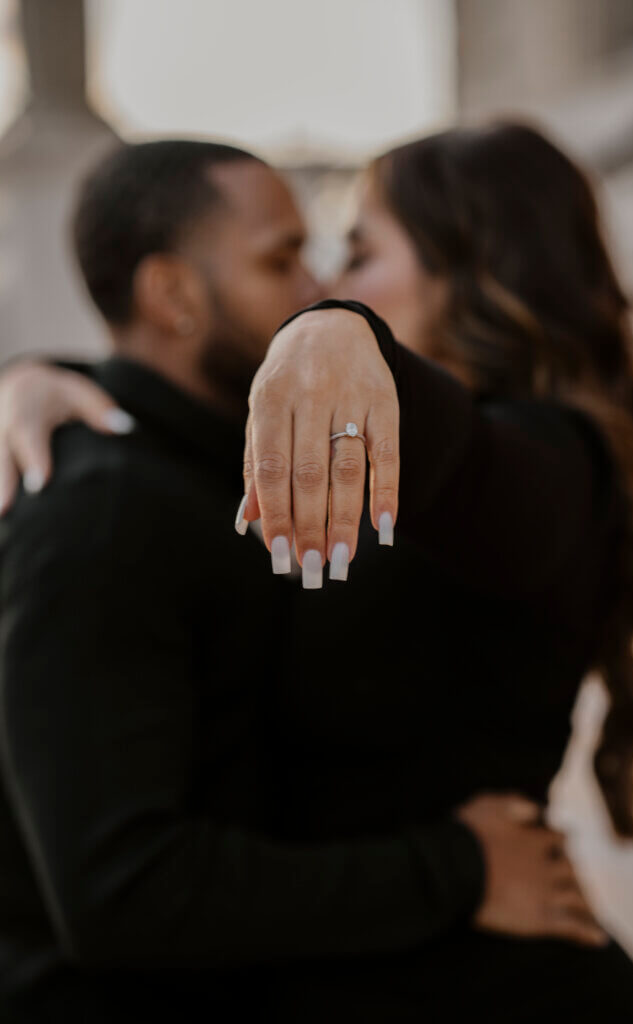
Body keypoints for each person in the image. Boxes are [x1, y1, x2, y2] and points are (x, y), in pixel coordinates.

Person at [0, 139, 596, 1023]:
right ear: (173, 296)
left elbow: (477, 464)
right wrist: (456, 869)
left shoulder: (219, 471)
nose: (319, 284)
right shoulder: (98, 512)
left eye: (344, 257)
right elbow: (118, 887)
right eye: (284, 259)